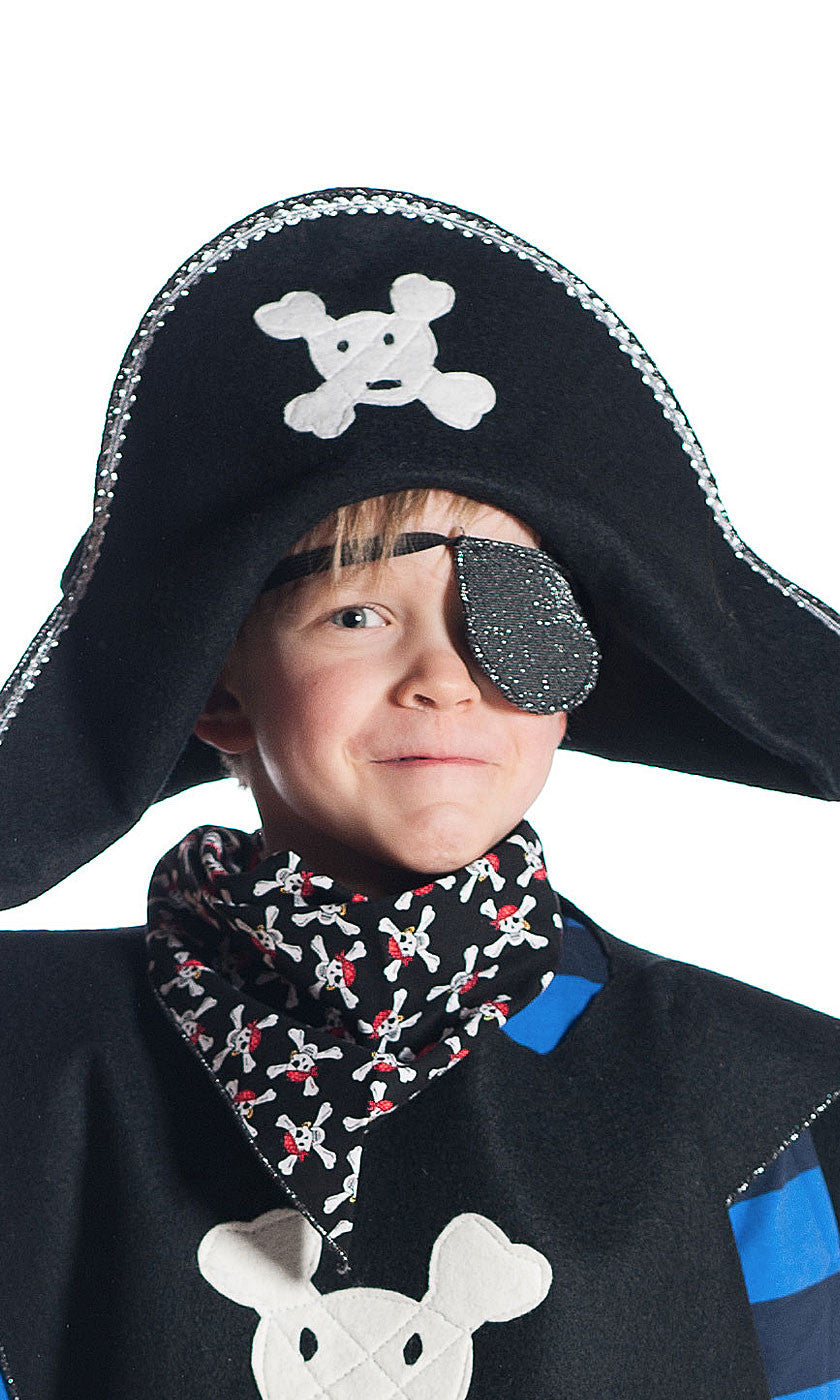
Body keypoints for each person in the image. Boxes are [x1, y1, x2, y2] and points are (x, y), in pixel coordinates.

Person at [0, 186, 838, 1400]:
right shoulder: (33, 1067)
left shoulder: (748, 1100)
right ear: (218, 689)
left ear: (576, 681)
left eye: (510, 618)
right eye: (356, 615)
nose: (444, 678)